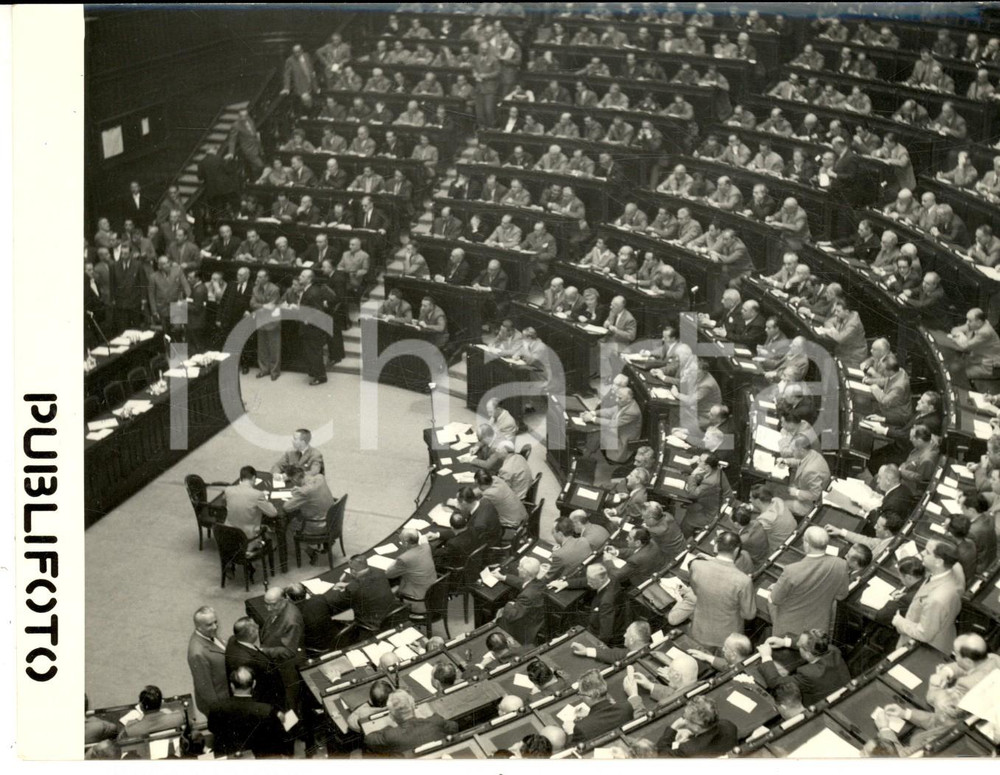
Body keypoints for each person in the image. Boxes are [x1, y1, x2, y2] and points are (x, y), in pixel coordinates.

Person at [769, 527, 849, 636]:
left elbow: (775, 600)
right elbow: (841, 595)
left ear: (806, 544)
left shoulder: (791, 570)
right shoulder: (841, 564)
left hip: (789, 630)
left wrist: (776, 588)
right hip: (817, 631)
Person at [688, 531, 756, 649]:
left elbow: (695, 591)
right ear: (736, 550)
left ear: (716, 546)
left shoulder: (696, 565)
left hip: (701, 629)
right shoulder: (744, 581)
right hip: (728, 636)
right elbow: (749, 614)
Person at [892, 539, 963, 653]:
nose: (922, 554)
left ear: (939, 562)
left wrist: (900, 622)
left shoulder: (937, 599)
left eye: (927, 552)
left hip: (925, 646)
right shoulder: (953, 568)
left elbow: (924, 634)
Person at [758, 629, 852, 707]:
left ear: (807, 654)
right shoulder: (833, 650)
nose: (797, 643)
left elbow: (775, 682)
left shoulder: (809, 674)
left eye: (799, 646)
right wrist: (784, 642)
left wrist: (766, 656)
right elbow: (808, 643)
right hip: (843, 697)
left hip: (824, 707)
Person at [363, 690, 458, 756]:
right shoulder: (435, 721)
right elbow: (454, 727)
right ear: (413, 706)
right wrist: (426, 717)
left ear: (392, 715)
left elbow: (368, 739)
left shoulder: (390, 735)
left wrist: (390, 725)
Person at [323, 555, 399, 634]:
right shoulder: (380, 573)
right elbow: (367, 584)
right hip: (389, 614)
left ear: (353, 571)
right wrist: (349, 585)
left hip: (371, 622)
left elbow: (334, 601)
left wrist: (335, 588)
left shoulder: (353, 588)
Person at [655, 696, 738, 757]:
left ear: (697, 727)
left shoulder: (687, 750)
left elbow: (662, 753)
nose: (683, 719)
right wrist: (692, 734)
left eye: (685, 717)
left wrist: (674, 726)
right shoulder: (729, 726)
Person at [492, 556, 547, 644]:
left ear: (525, 573)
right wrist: (502, 577)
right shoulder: (538, 582)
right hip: (536, 616)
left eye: (520, 567)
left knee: (500, 614)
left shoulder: (526, 596)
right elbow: (522, 584)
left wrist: (509, 604)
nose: (517, 568)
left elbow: (511, 616)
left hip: (527, 627)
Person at [569, 670, 634, 744]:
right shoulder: (626, 707)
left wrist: (570, 733)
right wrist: (589, 716)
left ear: (589, 697)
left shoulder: (581, 728)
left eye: (581, 694)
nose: (580, 697)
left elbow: (574, 749)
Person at [187, 606, 229, 718]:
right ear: (198, 627)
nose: (215, 627)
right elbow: (205, 688)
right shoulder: (197, 653)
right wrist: (219, 712)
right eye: (209, 624)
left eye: (216, 622)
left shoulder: (208, 634)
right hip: (220, 702)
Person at [283, 464, 335, 554]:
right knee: (301, 512)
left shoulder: (304, 492)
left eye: (292, 481)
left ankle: (311, 552)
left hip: (319, 525)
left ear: (294, 479)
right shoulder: (320, 478)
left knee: (288, 529)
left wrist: (296, 493)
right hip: (331, 519)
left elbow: (286, 507)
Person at [221, 465, 277, 548]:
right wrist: (265, 499)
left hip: (230, 535)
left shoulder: (228, 490)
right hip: (248, 538)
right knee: (272, 540)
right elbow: (273, 513)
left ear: (241, 478)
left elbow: (223, 503)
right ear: (254, 478)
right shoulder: (258, 495)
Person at [386, 529, 437, 608]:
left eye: (401, 540)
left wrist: (395, 561)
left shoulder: (404, 559)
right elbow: (424, 542)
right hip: (433, 590)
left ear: (406, 543)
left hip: (417, 599)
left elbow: (388, 574)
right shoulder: (426, 547)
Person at [117, 685, 186, 741]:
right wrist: (170, 714)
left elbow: (119, 741)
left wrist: (138, 719)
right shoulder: (179, 718)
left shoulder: (131, 729)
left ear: (141, 706)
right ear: (161, 703)